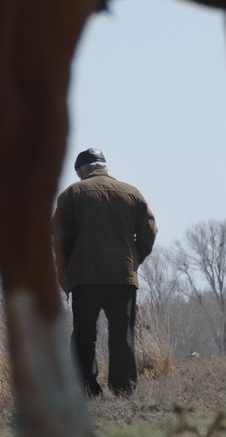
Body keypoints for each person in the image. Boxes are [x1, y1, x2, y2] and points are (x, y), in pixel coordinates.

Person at [53, 148, 157, 397]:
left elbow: (59, 240)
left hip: (84, 279)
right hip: (122, 277)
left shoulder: (71, 195)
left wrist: (66, 276)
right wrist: (133, 261)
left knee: (84, 335)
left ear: (81, 171)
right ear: (104, 167)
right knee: (122, 335)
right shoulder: (132, 193)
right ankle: (123, 389)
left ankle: (87, 389)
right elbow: (149, 233)